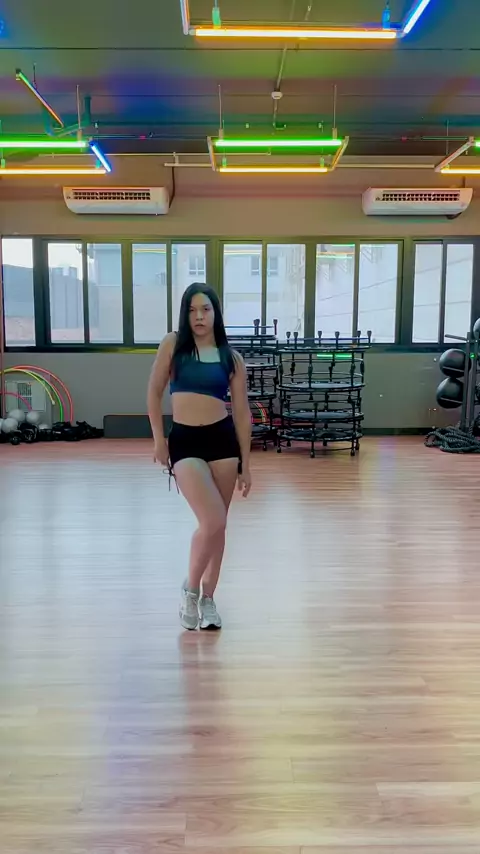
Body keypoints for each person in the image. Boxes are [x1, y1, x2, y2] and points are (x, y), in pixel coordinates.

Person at [147, 283, 252, 631]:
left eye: (205, 309)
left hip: (222, 442)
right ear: (185, 314)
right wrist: (159, 439)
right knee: (212, 520)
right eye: (192, 310)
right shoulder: (173, 344)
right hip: (186, 441)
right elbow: (154, 392)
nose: (199, 317)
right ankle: (190, 590)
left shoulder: (231, 358)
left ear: (216, 313)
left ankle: (208, 599)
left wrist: (246, 464)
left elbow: (242, 413)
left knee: (219, 527)